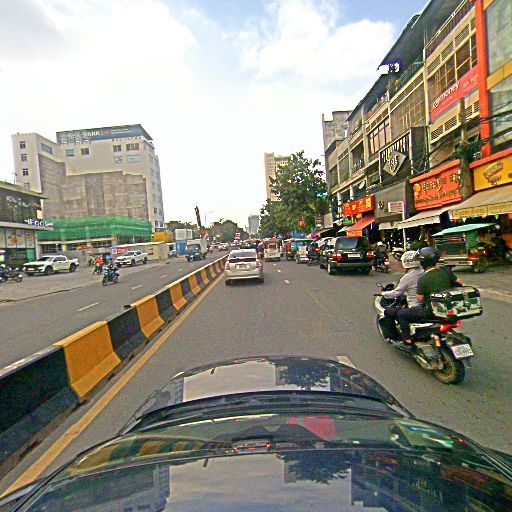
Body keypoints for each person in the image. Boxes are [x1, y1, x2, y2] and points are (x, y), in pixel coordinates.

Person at [396, 247, 462, 350]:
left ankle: (407, 340)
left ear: (423, 262)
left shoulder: (423, 279)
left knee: (401, 314)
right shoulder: (446, 270)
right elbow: (459, 282)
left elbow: (420, 299)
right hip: (450, 307)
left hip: (431, 311)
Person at [377, 251, 424, 341]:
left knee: (389, 312)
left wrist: (383, 293)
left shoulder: (408, 277)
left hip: (414, 306)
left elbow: (396, 293)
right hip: (424, 304)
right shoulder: (423, 272)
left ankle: (398, 338)